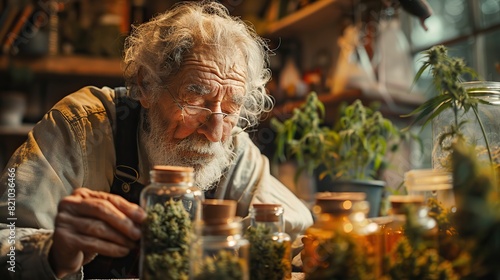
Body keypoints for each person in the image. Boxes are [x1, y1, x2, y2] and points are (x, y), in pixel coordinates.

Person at [0, 1, 313, 279]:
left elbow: (292, 231)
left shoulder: (230, 149)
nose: (215, 132)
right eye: (195, 100)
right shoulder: (79, 127)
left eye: (231, 108)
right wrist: (53, 252)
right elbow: (7, 250)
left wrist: (314, 252)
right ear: (147, 86)